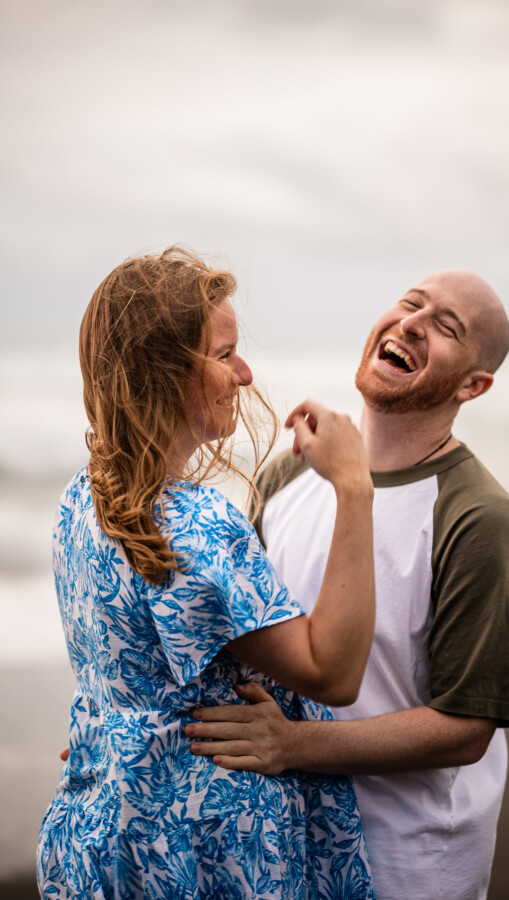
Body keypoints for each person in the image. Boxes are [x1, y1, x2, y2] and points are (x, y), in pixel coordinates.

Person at [184, 269, 509, 900]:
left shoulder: (479, 519)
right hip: (281, 839)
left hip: (408, 861)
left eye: (446, 327)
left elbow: (468, 725)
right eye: (411, 304)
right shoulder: (290, 473)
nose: (413, 324)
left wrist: (294, 744)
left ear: (474, 385)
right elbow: (238, 638)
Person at [37, 247, 377, 899]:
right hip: (210, 849)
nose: (245, 374)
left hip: (111, 827)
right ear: (166, 375)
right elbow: (334, 672)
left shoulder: (81, 497)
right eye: (223, 355)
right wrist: (354, 486)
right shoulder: (197, 527)